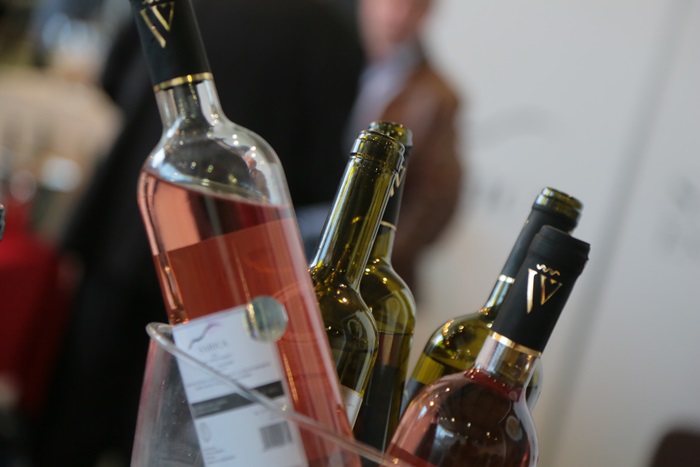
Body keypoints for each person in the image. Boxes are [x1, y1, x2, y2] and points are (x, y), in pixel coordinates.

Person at [30, 1, 364, 465]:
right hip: (232, 284)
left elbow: (111, 81)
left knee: (77, 413)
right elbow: (321, 172)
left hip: (124, 237)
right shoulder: (336, 33)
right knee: (180, 437)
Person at [345, 0, 464, 297]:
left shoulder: (437, 97)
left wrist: (365, 258)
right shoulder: (325, 53)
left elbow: (436, 202)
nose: (400, 15)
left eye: (415, 6)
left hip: (364, 275)